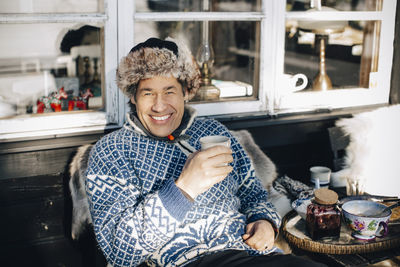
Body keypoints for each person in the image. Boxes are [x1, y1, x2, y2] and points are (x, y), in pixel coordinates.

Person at [85, 37, 326, 267]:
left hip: (251, 253)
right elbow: (119, 251)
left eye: (169, 91)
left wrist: (263, 221)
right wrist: (184, 188)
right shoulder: (112, 151)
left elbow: (252, 192)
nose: (159, 105)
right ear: (134, 97)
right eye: (148, 93)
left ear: (184, 93)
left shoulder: (212, 131)